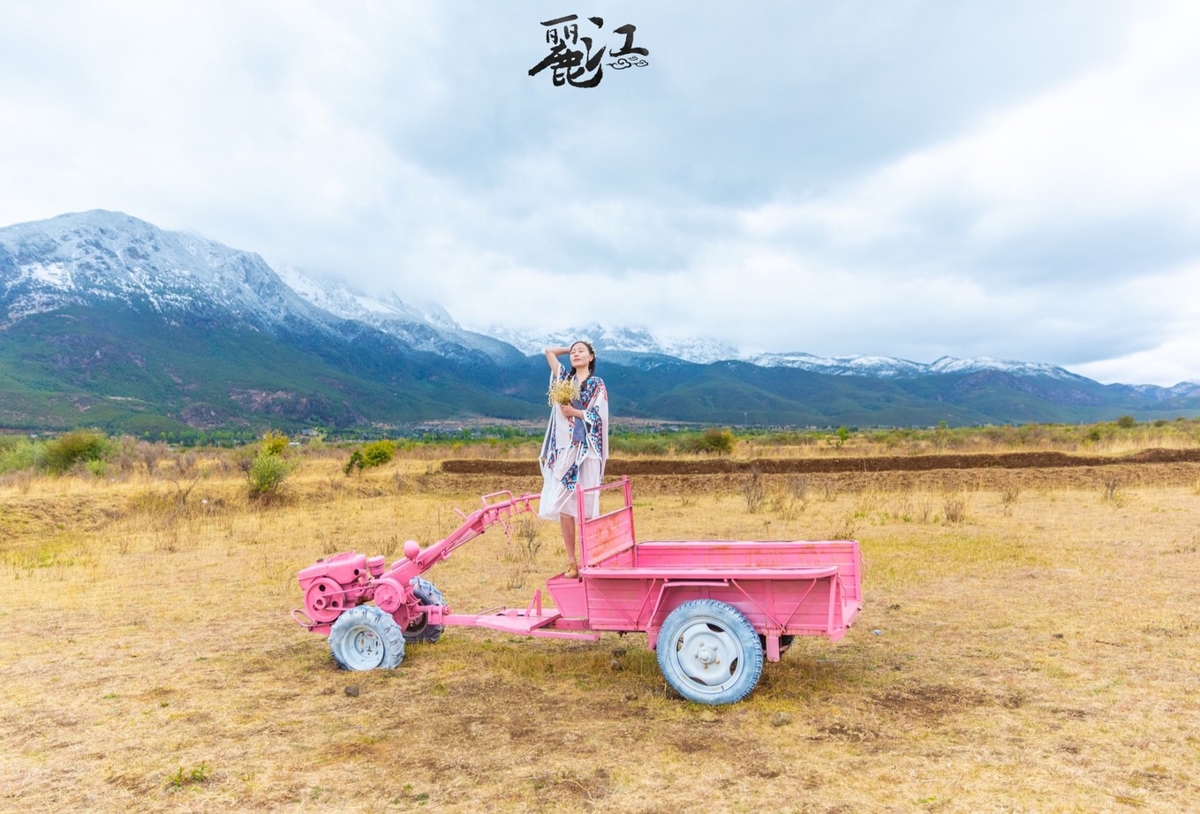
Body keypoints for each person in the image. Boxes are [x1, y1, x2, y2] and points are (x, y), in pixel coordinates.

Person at [538, 340, 609, 579]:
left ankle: (590, 559)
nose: (576, 354)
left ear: (591, 357)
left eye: (582, 351)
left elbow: (599, 417)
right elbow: (549, 352)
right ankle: (572, 562)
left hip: (587, 452)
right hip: (565, 451)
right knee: (565, 507)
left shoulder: (597, 384)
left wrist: (575, 412)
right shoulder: (564, 380)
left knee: (586, 507)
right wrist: (571, 348)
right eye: (573, 352)